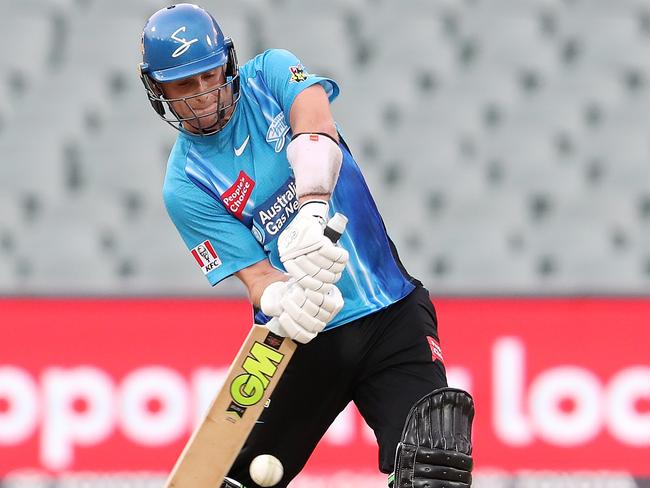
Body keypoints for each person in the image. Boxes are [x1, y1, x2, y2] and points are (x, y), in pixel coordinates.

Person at [139, 4, 475, 487]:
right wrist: (283, 296)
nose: (202, 95)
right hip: (296, 340)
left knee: (435, 462)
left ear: (228, 63)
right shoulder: (185, 184)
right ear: (158, 91)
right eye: (183, 86)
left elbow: (316, 126)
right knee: (238, 482)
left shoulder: (272, 73)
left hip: (391, 313)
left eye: (209, 75)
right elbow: (254, 276)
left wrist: (312, 209)